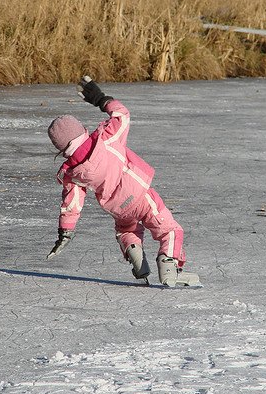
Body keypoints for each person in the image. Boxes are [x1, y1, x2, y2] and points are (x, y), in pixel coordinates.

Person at [46, 76, 201, 288]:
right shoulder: (106, 138)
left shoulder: (72, 173)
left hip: (117, 207)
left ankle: (136, 257)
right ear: (81, 130)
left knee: (126, 230)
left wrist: (66, 231)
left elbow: (71, 205)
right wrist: (100, 99)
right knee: (170, 230)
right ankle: (169, 267)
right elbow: (122, 114)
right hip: (139, 194)